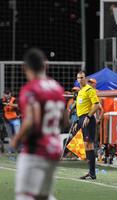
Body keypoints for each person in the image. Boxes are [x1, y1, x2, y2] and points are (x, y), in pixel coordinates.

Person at [10, 48, 66, 200]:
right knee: (43, 196)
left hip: (36, 150)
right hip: (54, 149)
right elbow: (64, 120)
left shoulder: (31, 89)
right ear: (45, 65)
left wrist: (16, 140)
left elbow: (31, 121)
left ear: (25, 67)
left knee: (25, 196)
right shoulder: (57, 88)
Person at [75, 71, 100, 179]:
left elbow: (97, 105)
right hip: (82, 119)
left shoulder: (89, 89)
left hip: (87, 119)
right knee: (86, 146)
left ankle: (92, 173)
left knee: (90, 145)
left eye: (82, 77)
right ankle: (90, 172)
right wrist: (78, 121)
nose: (80, 79)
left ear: (85, 78)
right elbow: (80, 108)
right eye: (78, 78)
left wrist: (88, 117)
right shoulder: (80, 91)